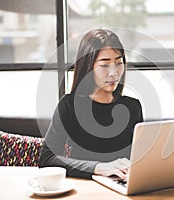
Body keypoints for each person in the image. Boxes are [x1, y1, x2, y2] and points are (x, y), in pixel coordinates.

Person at [38, 29, 143, 179]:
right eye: (105, 65)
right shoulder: (69, 105)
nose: (114, 72)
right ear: (88, 67)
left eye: (119, 63)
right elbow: (46, 159)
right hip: (84, 187)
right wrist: (98, 167)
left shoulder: (133, 107)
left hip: (122, 188)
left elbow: (140, 158)